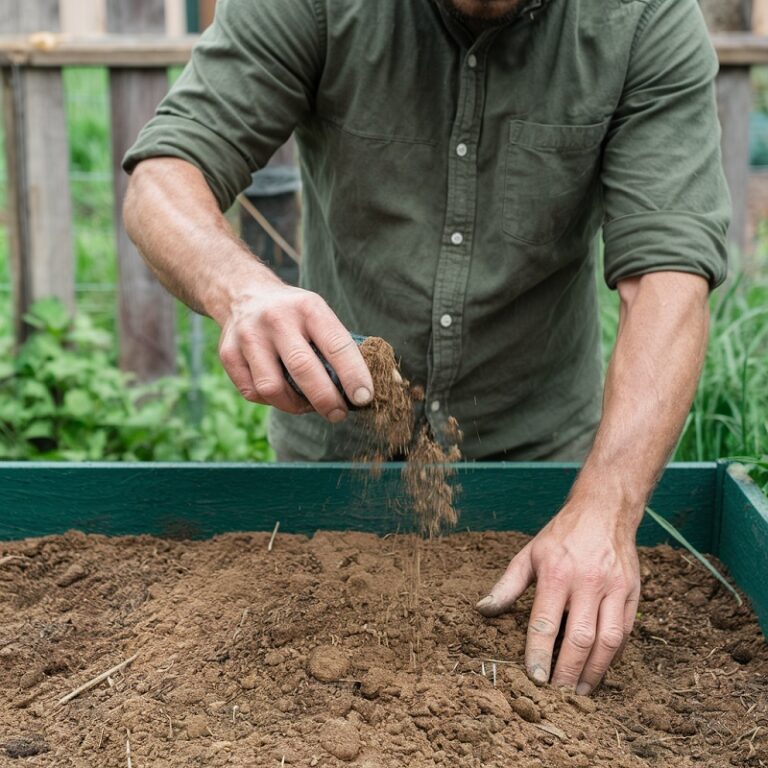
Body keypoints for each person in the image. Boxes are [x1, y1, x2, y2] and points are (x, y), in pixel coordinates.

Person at [122, 0, 730, 697]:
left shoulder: (644, 18)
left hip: (540, 472)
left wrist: (605, 510)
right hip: (337, 459)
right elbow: (166, 169)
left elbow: (668, 278)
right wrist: (241, 289)